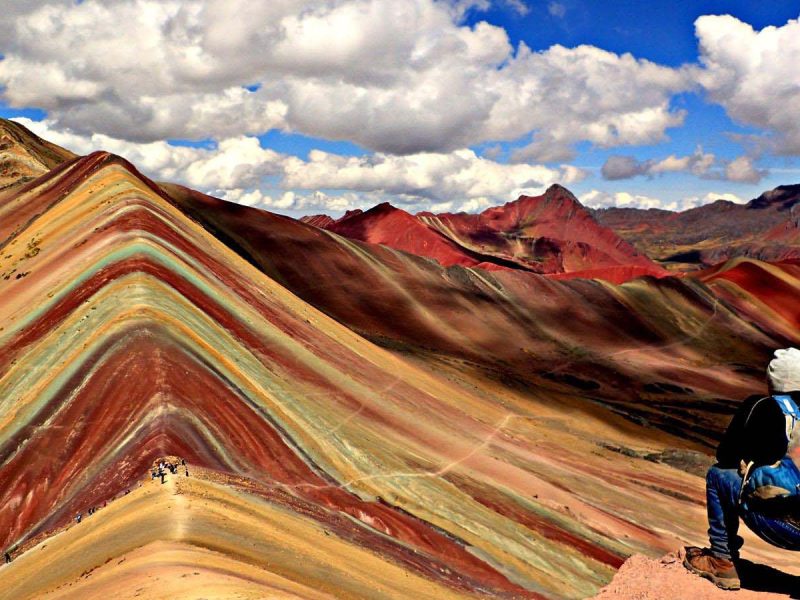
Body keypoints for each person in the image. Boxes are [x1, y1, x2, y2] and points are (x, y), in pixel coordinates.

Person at [684, 348, 800, 590]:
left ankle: (722, 561)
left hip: (783, 527)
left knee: (717, 475)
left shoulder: (761, 406)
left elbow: (724, 456)